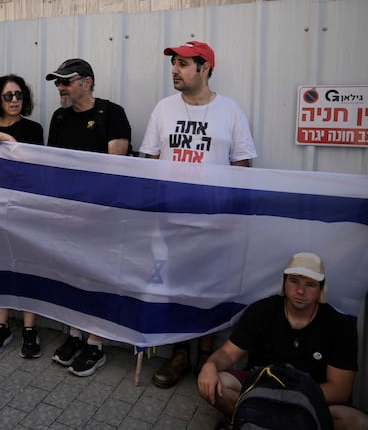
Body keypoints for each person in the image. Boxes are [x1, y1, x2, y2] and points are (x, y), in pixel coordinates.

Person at [139, 40, 257, 389]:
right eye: (173, 63)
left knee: (209, 288)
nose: (174, 70)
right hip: (170, 218)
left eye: (183, 64)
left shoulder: (230, 111)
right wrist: (149, 211)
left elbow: (243, 166)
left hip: (214, 220)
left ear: (205, 68)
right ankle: (179, 353)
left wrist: (233, 215)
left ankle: (206, 353)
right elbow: (148, 161)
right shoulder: (163, 109)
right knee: (175, 286)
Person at [197, 252, 368, 430]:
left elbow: (340, 390)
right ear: (284, 282)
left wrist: (290, 396)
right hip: (261, 383)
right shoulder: (262, 310)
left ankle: (256, 422)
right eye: (294, 281)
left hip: (310, 395)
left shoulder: (340, 327)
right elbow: (228, 353)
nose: (300, 291)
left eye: (310, 284)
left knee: (359, 422)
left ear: (321, 289)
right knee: (217, 383)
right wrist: (210, 365)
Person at [46, 58, 132, 377]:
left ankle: (95, 344)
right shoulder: (58, 117)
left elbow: (116, 167)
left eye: (65, 81)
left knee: (96, 275)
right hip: (66, 212)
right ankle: (74, 334)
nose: (60, 87)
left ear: (87, 82)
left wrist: (88, 207)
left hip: (101, 213)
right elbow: (53, 163)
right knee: (70, 273)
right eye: (57, 82)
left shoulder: (112, 113)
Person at [0, 74, 44, 358]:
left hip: (25, 208)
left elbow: (37, 166)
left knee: (28, 266)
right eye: (8, 96)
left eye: (19, 95)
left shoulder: (33, 128)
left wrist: (10, 141)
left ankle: (30, 329)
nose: (15, 100)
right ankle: (1, 326)